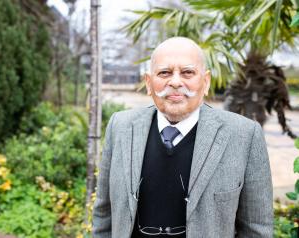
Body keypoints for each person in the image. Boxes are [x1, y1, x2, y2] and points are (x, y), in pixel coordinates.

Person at [92, 37, 273, 238]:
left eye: (187, 72)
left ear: (205, 82)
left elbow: (257, 230)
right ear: (149, 83)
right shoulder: (120, 127)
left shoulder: (244, 136)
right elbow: (103, 215)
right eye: (164, 72)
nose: (176, 82)